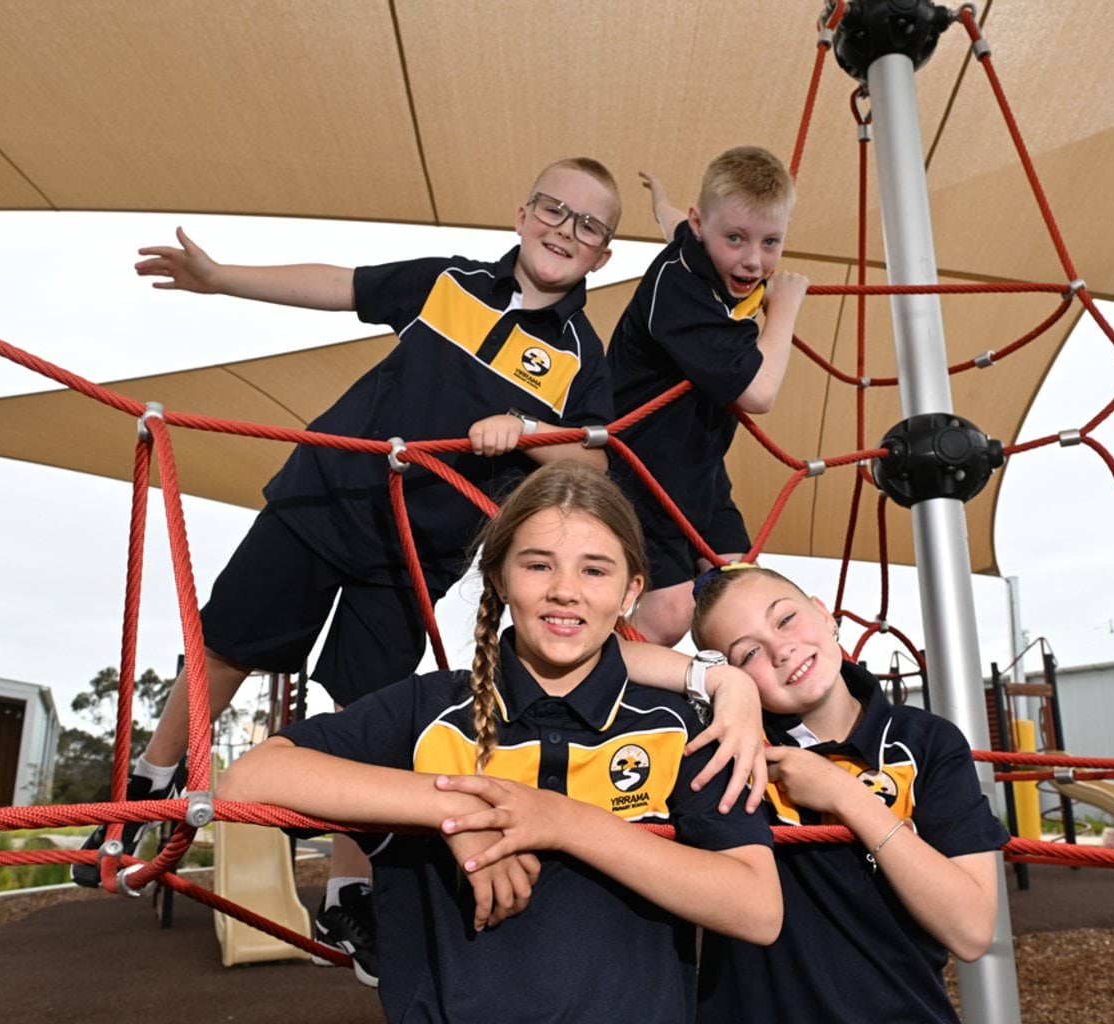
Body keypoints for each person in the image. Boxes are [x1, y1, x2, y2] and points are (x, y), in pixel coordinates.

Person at [74, 159, 625, 986]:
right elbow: (344, 285)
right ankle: (141, 797)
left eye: (589, 226)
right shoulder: (450, 282)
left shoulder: (583, 354)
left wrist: (527, 428)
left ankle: (349, 888)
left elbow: (597, 456)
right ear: (523, 213)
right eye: (555, 209)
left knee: (372, 711)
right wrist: (222, 278)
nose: (565, 230)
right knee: (226, 645)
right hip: (325, 492)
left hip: (415, 546)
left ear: (603, 256)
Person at [217, 462, 781, 1022]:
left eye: (595, 571)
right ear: (499, 578)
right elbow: (249, 779)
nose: (565, 591)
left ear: (632, 590)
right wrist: (460, 812)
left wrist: (560, 821)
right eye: (538, 565)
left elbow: (756, 909)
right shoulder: (431, 712)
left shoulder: (676, 724)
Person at [688, 564, 1008, 1024]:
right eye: (749, 654)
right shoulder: (725, 751)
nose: (781, 649)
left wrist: (844, 795)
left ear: (824, 613)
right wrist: (719, 687)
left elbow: (972, 929)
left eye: (784, 619)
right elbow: (617, 658)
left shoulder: (927, 743)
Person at [607, 146, 810, 646]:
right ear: (702, 225)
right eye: (735, 239)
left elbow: (672, 222)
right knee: (673, 611)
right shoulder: (679, 291)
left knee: (743, 589)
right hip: (639, 471)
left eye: (770, 242)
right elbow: (758, 393)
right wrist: (782, 310)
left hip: (698, 469)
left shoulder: (695, 241)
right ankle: (585, 691)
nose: (753, 260)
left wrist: (661, 202)